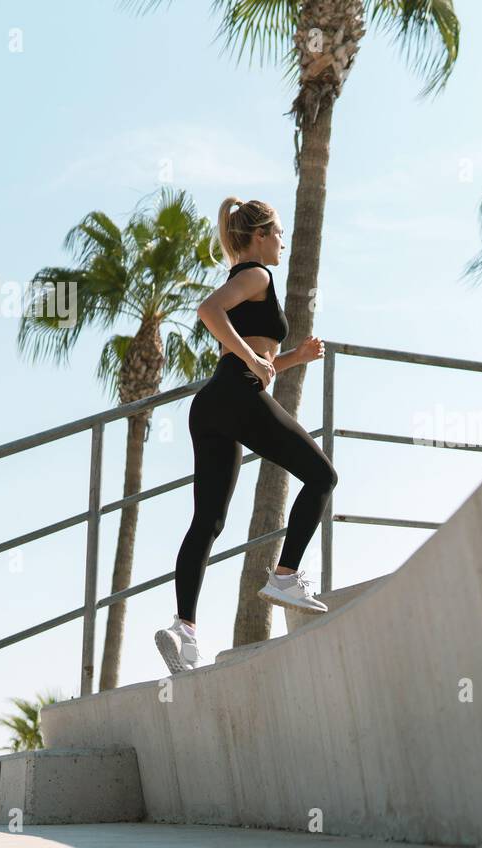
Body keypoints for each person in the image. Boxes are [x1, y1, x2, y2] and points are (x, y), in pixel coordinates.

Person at [154, 197, 338, 675]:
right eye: (278, 233)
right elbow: (208, 311)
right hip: (236, 392)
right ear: (259, 236)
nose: (283, 242)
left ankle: (185, 631)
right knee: (321, 476)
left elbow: (252, 353)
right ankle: (284, 576)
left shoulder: (249, 278)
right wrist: (254, 361)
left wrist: (291, 357)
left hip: (214, 403)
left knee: (208, 522)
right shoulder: (256, 274)